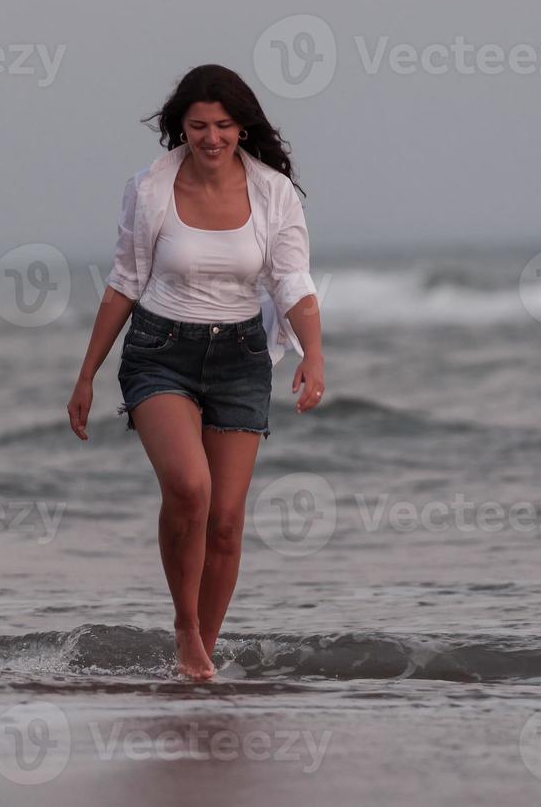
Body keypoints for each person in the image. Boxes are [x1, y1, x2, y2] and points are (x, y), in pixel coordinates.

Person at [67, 64, 326, 681]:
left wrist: (315, 353)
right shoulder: (151, 188)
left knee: (228, 522)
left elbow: (292, 281)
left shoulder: (273, 194)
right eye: (199, 126)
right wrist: (86, 376)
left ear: (242, 127)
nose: (211, 138)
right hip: (160, 349)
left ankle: (198, 660)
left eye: (224, 126)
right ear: (179, 127)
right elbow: (125, 282)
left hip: (240, 357)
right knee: (190, 489)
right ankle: (185, 629)